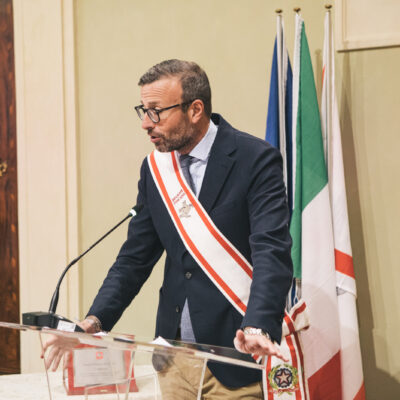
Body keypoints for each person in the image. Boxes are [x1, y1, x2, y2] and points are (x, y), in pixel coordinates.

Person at [43, 59, 293, 398]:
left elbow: (271, 252)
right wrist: (93, 322)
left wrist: (259, 325)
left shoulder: (255, 159)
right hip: (174, 360)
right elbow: (134, 259)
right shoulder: (154, 169)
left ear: (195, 109)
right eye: (143, 110)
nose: (146, 123)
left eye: (156, 111)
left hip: (236, 355)